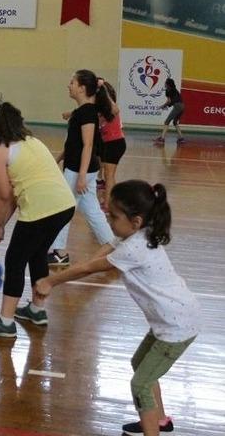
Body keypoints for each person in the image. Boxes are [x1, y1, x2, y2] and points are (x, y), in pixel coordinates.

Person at [35, 180, 199, 436]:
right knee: (140, 363)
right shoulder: (142, 231)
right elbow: (106, 248)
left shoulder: (134, 248)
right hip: (171, 318)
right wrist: (88, 261)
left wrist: (50, 280)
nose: (108, 219)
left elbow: (91, 268)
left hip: (176, 326)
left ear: (135, 221)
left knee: (140, 383)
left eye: (113, 215)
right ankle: (160, 420)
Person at [0, 102, 75, 338]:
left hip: (42, 209)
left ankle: (5, 322)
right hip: (64, 206)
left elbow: (3, 197)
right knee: (37, 254)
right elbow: (17, 194)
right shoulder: (32, 141)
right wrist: (2, 225)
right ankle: (37, 310)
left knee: (15, 259)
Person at [47, 70, 115, 266]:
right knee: (92, 209)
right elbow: (73, 145)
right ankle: (112, 244)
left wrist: (82, 176)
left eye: (72, 82)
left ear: (82, 88)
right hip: (80, 168)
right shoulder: (83, 111)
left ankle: (59, 253)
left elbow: (88, 145)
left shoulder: (86, 113)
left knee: (63, 208)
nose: (69, 85)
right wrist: (59, 159)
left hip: (79, 170)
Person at [96, 79, 126, 210]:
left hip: (115, 143)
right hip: (111, 143)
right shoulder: (102, 110)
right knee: (109, 176)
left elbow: (115, 108)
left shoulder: (111, 107)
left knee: (109, 176)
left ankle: (108, 205)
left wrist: (103, 88)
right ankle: (110, 203)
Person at [155, 78, 185, 144]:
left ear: (168, 84)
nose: (164, 84)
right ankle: (181, 138)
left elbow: (169, 101)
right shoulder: (175, 90)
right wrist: (166, 106)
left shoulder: (168, 91)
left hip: (177, 106)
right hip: (182, 106)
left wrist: (162, 106)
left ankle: (162, 139)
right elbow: (173, 100)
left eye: (165, 83)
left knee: (167, 121)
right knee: (175, 122)